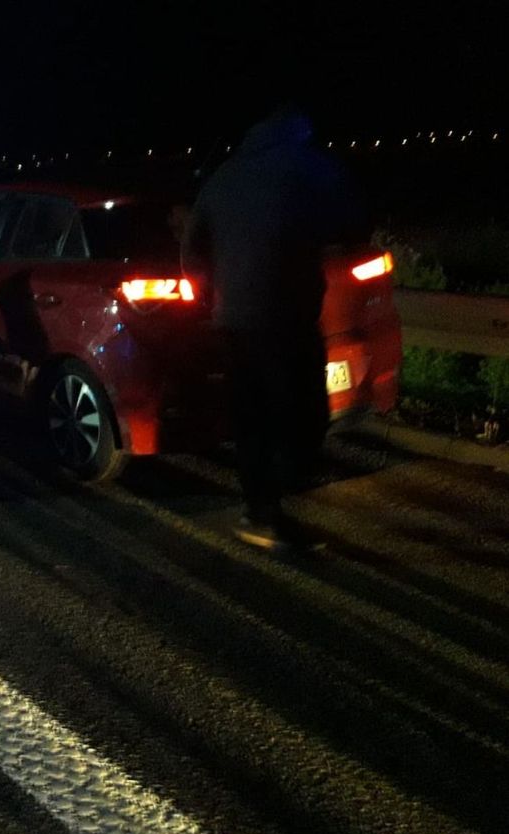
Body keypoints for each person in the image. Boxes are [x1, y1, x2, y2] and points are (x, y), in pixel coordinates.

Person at [181, 101, 365, 550]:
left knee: (252, 419)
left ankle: (258, 512)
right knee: (303, 415)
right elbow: (355, 222)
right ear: (298, 133)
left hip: (234, 324)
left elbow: (192, 246)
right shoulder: (309, 166)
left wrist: (208, 296)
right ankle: (276, 497)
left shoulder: (223, 176)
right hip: (287, 320)